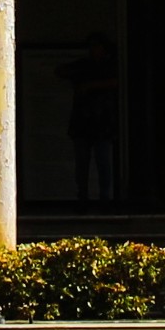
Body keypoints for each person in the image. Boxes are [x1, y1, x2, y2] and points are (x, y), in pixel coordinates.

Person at [60, 32, 119, 204]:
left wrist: (90, 86)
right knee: (82, 164)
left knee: (103, 163)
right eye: (92, 47)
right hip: (83, 122)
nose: (94, 50)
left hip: (102, 122)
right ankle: (83, 197)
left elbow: (116, 81)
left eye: (97, 46)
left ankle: (105, 198)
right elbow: (60, 71)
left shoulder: (109, 66)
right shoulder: (84, 65)